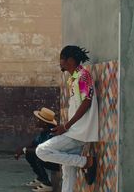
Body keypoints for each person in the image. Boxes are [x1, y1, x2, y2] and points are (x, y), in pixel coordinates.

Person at [36, 45, 98, 192]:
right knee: (68, 175)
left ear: (70, 60)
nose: (60, 63)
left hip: (78, 132)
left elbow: (86, 101)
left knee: (41, 151)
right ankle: (82, 162)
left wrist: (66, 126)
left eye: (61, 59)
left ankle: (86, 162)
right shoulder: (74, 78)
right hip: (75, 131)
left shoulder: (83, 76)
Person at [15, 107, 60, 192]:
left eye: (39, 119)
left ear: (45, 123)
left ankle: (47, 184)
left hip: (57, 162)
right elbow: (34, 143)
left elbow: (43, 150)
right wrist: (21, 149)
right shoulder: (44, 132)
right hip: (48, 158)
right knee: (29, 153)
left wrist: (24, 150)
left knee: (36, 155)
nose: (36, 120)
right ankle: (41, 178)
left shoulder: (51, 134)